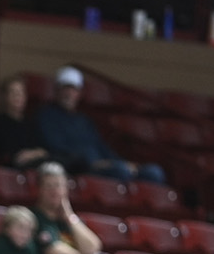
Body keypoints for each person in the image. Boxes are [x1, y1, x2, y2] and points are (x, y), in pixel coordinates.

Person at [30, 163, 141, 254]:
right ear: (39, 189)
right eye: (49, 186)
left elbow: (93, 247)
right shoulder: (35, 218)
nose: (55, 191)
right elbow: (55, 251)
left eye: (59, 185)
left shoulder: (70, 219)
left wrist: (70, 216)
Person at [35, 66, 164, 183]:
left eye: (73, 89)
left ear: (79, 94)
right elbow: (57, 149)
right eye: (65, 88)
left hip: (105, 165)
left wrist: (123, 163)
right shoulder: (46, 116)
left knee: (154, 172)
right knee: (120, 171)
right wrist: (97, 163)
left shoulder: (84, 120)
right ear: (57, 90)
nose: (69, 93)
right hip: (82, 169)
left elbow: (101, 147)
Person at [0, 74, 47, 170]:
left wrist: (31, 154)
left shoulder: (30, 123)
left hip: (36, 165)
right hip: (13, 168)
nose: (18, 96)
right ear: (4, 96)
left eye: (21, 92)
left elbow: (43, 150)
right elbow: (7, 155)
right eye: (13, 92)